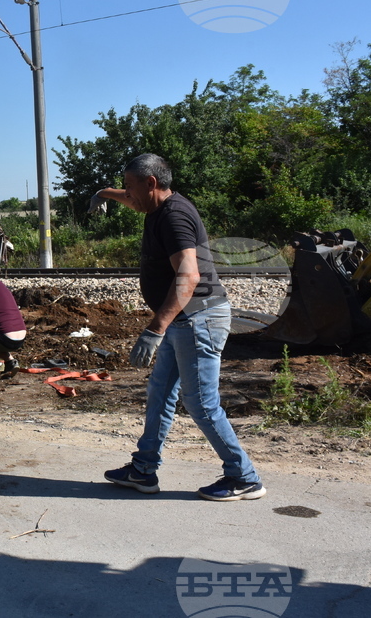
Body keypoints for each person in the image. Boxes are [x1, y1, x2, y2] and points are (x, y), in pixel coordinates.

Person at [92, 153, 265, 501]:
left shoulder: (173, 217)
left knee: (201, 403)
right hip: (184, 320)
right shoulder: (156, 205)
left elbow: (189, 276)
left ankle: (243, 476)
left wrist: (155, 330)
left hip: (198, 319)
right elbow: (130, 199)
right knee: (160, 394)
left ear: (151, 184)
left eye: (129, 187)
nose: (127, 194)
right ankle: (143, 469)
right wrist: (103, 193)